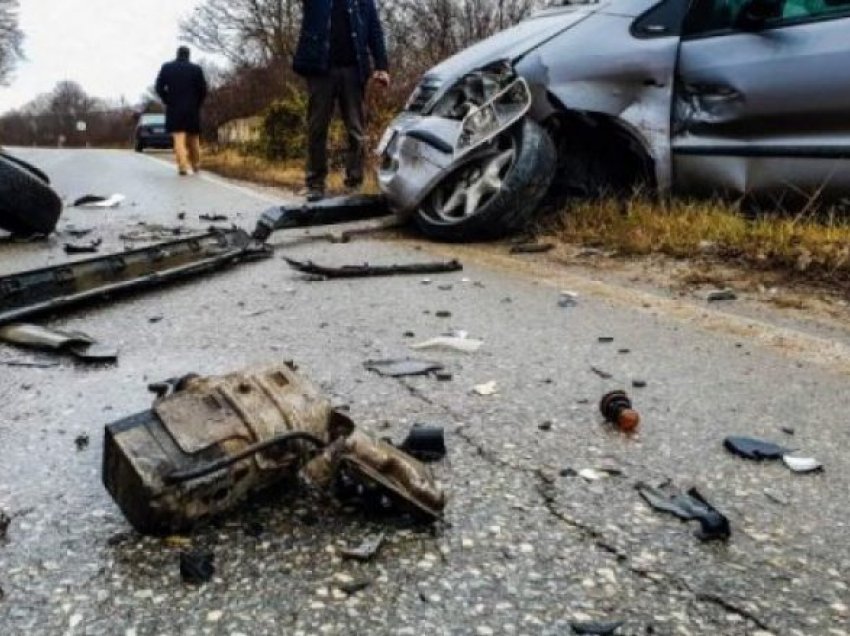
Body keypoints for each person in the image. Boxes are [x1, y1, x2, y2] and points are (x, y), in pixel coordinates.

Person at [293, 0, 390, 201]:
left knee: (356, 129)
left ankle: (354, 183)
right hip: (320, 69)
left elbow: (374, 29)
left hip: (353, 70)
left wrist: (382, 66)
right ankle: (315, 183)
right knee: (317, 127)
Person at [155, 46, 208, 176]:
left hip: (174, 108)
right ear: (188, 55)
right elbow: (203, 90)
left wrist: (167, 99)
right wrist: (197, 103)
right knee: (194, 139)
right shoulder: (196, 69)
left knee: (179, 139)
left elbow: (158, 87)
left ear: (177, 54)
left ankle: (183, 166)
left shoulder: (167, 67)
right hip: (192, 109)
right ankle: (195, 165)